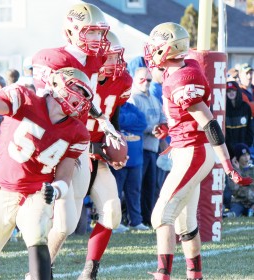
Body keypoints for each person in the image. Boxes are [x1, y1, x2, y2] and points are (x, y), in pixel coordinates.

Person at [0, 66, 93, 280]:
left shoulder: (78, 132)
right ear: (56, 84)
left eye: (86, 95)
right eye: (79, 90)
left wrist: (55, 191)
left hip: (37, 192)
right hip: (3, 188)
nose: (81, 99)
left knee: (38, 234)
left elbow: (64, 175)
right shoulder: (24, 98)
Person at [143, 22, 252, 280]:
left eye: (155, 48)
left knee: (160, 215)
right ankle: (195, 275)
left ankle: (163, 275)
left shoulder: (181, 79)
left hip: (193, 152)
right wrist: (168, 128)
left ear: (165, 50)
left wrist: (227, 166)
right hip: (189, 149)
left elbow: (209, 122)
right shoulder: (180, 72)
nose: (150, 53)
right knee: (185, 223)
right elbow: (189, 118)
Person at [28, 4, 124, 279]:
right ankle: (36, 270)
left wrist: (102, 121)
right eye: (91, 32)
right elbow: (49, 106)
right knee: (42, 215)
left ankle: (57, 269)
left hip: (78, 145)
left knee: (69, 222)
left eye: (100, 33)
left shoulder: (95, 60)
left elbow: (85, 98)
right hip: (55, 144)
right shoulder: (52, 59)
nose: (98, 40)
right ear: (70, 30)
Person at [77, 30, 132, 279]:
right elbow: (63, 128)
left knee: (112, 214)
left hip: (97, 159)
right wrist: (94, 148)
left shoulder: (121, 82)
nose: (115, 63)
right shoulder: (78, 79)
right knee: (62, 224)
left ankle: (90, 271)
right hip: (71, 157)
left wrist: (115, 145)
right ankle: (41, 270)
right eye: (109, 57)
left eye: (115, 57)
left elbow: (112, 119)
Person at [128, 66, 168, 226]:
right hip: (138, 148)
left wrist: (162, 127)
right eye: (142, 79)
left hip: (153, 148)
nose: (145, 82)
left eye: (148, 80)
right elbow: (135, 124)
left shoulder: (153, 98)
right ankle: (134, 219)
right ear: (135, 80)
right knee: (136, 187)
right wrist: (153, 128)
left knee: (151, 187)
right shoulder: (133, 98)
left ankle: (148, 218)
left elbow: (162, 116)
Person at [110, 101, 148, 230]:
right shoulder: (113, 107)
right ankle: (116, 222)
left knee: (134, 192)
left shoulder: (131, 107)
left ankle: (136, 221)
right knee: (116, 192)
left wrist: (124, 125)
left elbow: (143, 123)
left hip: (136, 160)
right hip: (118, 159)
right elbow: (115, 123)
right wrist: (131, 122)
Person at [225, 80, 253, 157]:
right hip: (228, 150)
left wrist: (247, 145)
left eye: (233, 90)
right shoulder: (224, 109)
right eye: (228, 91)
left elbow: (250, 128)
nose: (231, 93)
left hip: (244, 147)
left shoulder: (245, 107)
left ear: (237, 91)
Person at [226, 143, 254, 217]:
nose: (246, 158)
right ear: (236, 158)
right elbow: (234, 188)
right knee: (235, 211)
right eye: (243, 155)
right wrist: (237, 170)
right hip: (239, 202)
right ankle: (230, 214)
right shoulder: (232, 172)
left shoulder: (253, 170)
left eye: (248, 155)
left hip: (252, 202)